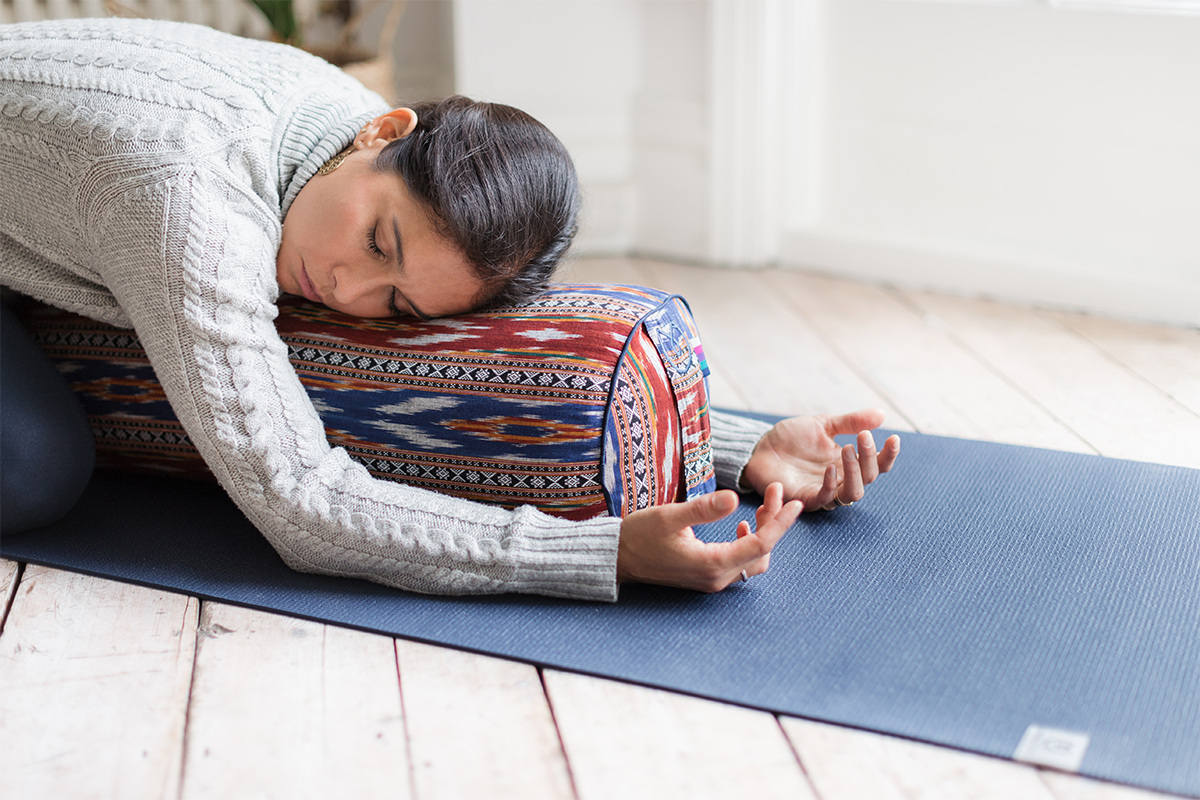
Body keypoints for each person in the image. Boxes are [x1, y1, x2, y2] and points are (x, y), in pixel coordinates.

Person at [0, 17, 899, 600]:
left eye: (396, 299)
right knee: (33, 465)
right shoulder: (189, 202)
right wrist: (602, 554)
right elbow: (301, 506)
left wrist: (726, 444)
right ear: (384, 132)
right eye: (380, 244)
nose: (349, 293)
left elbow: (476, 350)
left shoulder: (344, 147)